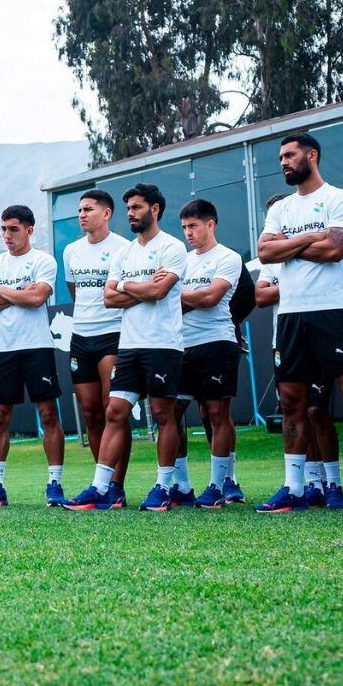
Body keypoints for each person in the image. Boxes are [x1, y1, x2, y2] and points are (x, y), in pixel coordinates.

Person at [256, 132, 343, 513]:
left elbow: (334, 249)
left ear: (311, 155)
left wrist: (290, 244)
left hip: (332, 312)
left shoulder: (337, 198)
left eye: (289, 155)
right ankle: (294, 488)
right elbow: (264, 251)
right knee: (292, 403)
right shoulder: (280, 208)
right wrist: (310, 237)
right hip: (290, 316)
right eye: (281, 158)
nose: (283, 163)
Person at [65, 183, 187, 512]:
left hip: (163, 343)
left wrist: (124, 286)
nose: (131, 214)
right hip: (130, 345)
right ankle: (102, 488)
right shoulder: (125, 253)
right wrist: (139, 286)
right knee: (114, 411)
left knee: (163, 414)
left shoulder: (172, 247)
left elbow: (158, 293)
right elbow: (109, 298)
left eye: (137, 207)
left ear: (154, 210)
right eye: (129, 208)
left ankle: (163, 487)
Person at [0, 205, 65, 507]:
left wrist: (2, 291)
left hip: (37, 346)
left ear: (29, 230)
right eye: (3, 229)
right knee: (0, 417)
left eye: (13, 229)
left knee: (48, 414)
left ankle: (55, 483)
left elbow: (37, 297)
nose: (7, 235)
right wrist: (17, 293)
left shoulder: (43, 260)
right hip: (2, 348)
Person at [174, 199, 243, 509]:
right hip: (181, 345)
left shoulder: (228, 257)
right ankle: (181, 485)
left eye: (194, 226)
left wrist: (178, 296)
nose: (188, 232)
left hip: (216, 342)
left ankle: (220, 484)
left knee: (216, 413)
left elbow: (212, 297)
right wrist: (189, 297)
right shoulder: (182, 261)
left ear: (210, 224)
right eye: (184, 227)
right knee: (172, 412)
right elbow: (168, 300)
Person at [62, 190, 130, 506]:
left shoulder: (123, 249)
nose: (82, 214)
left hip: (113, 335)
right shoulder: (71, 251)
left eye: (88, 209)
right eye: (80, 210)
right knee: (90, 412)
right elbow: (75, 291)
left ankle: (116, 486)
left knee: (112, 408)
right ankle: (100, 484)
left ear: (106, 213)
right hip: (80, 337)